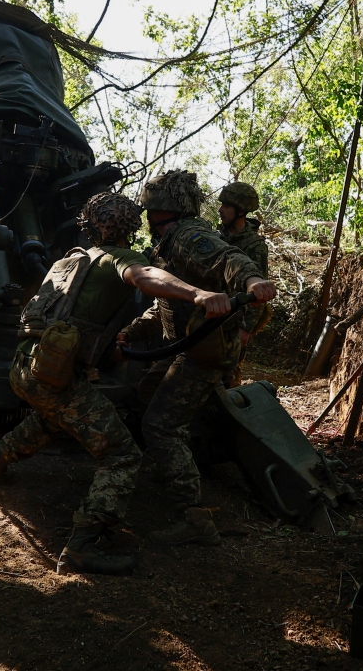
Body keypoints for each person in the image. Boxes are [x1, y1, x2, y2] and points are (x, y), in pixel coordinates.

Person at [0, 192, 232, 576]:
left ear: (88, 226)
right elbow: (145, 277)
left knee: (53, 418)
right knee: (122, 455)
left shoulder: (69, 259)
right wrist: (197, 292)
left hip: (25, 366)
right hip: (54, 376)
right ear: (132, 226)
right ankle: (82, 547)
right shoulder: (118, 258)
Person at [119, 170, 276, 547]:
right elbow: (164, 305)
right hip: (185, 346)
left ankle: (194, 517)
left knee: (160, 425)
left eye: (149, 208)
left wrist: (252, 282)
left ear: (162, 208)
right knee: (149, 392)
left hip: (205, 350)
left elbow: (227, 258)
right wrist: (132, 333)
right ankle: (172, 465)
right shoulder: (169, 240)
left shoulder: (190, 236)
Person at [217, 181, 270, 385]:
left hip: (235, 321)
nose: (220, 210)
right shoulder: (216, 237)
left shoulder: (255, 246)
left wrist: (246, 329)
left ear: (240, 211)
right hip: (212, 315)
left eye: (226, 206)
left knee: (228, 378)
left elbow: (260, 292)